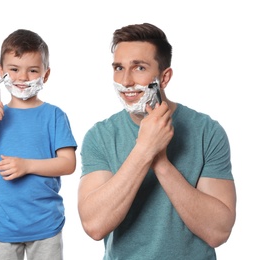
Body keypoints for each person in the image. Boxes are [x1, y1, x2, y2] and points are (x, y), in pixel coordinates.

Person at [77, 23, 236, 260]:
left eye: (139, 67)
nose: (126, 81)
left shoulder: (207, 131)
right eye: (118, 68)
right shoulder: (100, 136)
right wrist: (144, 150)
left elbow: (218, 232)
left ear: (164, 77)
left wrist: (160, 162)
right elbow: (94, 225)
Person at [0, 29, 77, 260]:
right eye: (14, 69)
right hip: (1, 227)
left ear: (45, 74)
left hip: (45, 225)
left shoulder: (54, 116)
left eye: (33, 70)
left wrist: (27, 165)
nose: (22, 78)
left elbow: (68, 164)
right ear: (1, 71)